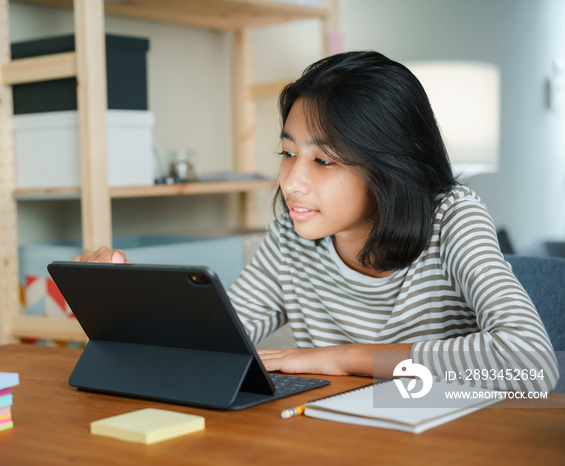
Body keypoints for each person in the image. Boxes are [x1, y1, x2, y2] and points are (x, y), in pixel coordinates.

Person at [74, 51, 558, 393]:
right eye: (287, 153)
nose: (291, 181)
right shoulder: (293, 234)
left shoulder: (453, 217)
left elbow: (531, 363)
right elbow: (214, 341)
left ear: (392, 167)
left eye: (323, 161)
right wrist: (120, 303)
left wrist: (346, 357)